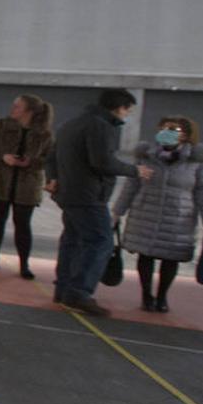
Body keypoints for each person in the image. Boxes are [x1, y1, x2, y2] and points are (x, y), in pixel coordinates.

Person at [45, 88, 154, 316]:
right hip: (89, 194)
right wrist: (135, 170)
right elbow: (102, 162)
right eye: (128, 111)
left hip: (69, 192)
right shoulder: (102, 127)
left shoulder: (72, 123)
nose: (126, 116)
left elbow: (52, 156)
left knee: (72, 240)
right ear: (119, 107)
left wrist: (53, 178)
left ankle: (64, 288)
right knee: (100, 241)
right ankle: (79, 292)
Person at [111, 116, 203, 313]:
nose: (165, 132)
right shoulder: (146, 155)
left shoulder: (197, 160)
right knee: (145, 255)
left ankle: (162, 297)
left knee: (171, 258)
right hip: (146, 211)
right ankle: (146, 295)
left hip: (178, 216)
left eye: (172, 129)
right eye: (163, 128)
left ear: (185, 135)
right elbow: (132, 184)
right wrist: (118, 211)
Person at [0, 95, 55, 279]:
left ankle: (24, 264)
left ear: (29, 111)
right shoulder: (1, 126)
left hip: (27, 184)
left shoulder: (44, 134)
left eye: (18, 107)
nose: (13, 109)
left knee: (23, 224)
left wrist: (30, 162)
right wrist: (2, 157)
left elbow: (49, 159)